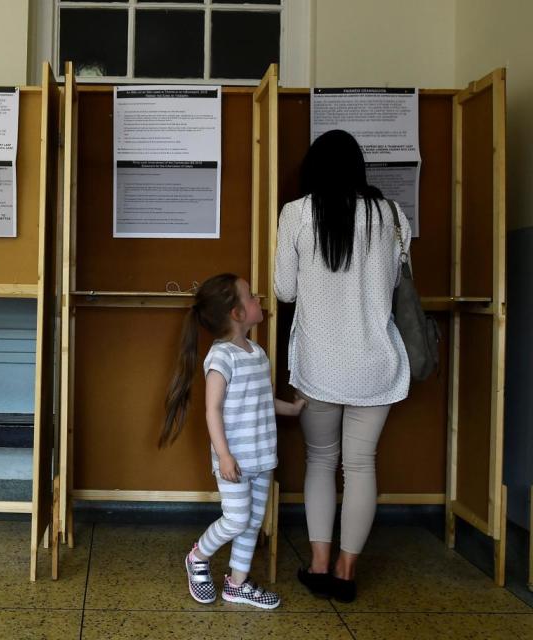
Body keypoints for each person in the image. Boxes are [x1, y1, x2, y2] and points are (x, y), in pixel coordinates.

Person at [274, 129, 412, 603]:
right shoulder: (391, 215)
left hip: (320, 364)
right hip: (377, 363)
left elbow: (285, 291)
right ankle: (346, 572)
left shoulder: (296, 213)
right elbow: (394, 284)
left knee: (320, 461)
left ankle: (317, 563)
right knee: (361, 465)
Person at [161, 273, 305, 609]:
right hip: (235, 461)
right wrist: (224, 456)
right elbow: (212, 410)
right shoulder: (221, 357)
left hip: (262, 457)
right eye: (252, 297)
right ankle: (198, 556)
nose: (259, 300)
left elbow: (262, 400)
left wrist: (293, 409)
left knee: (253, 522)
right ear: (237, 314)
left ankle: (237, 583)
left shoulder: (256, 352)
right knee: (237, 519)